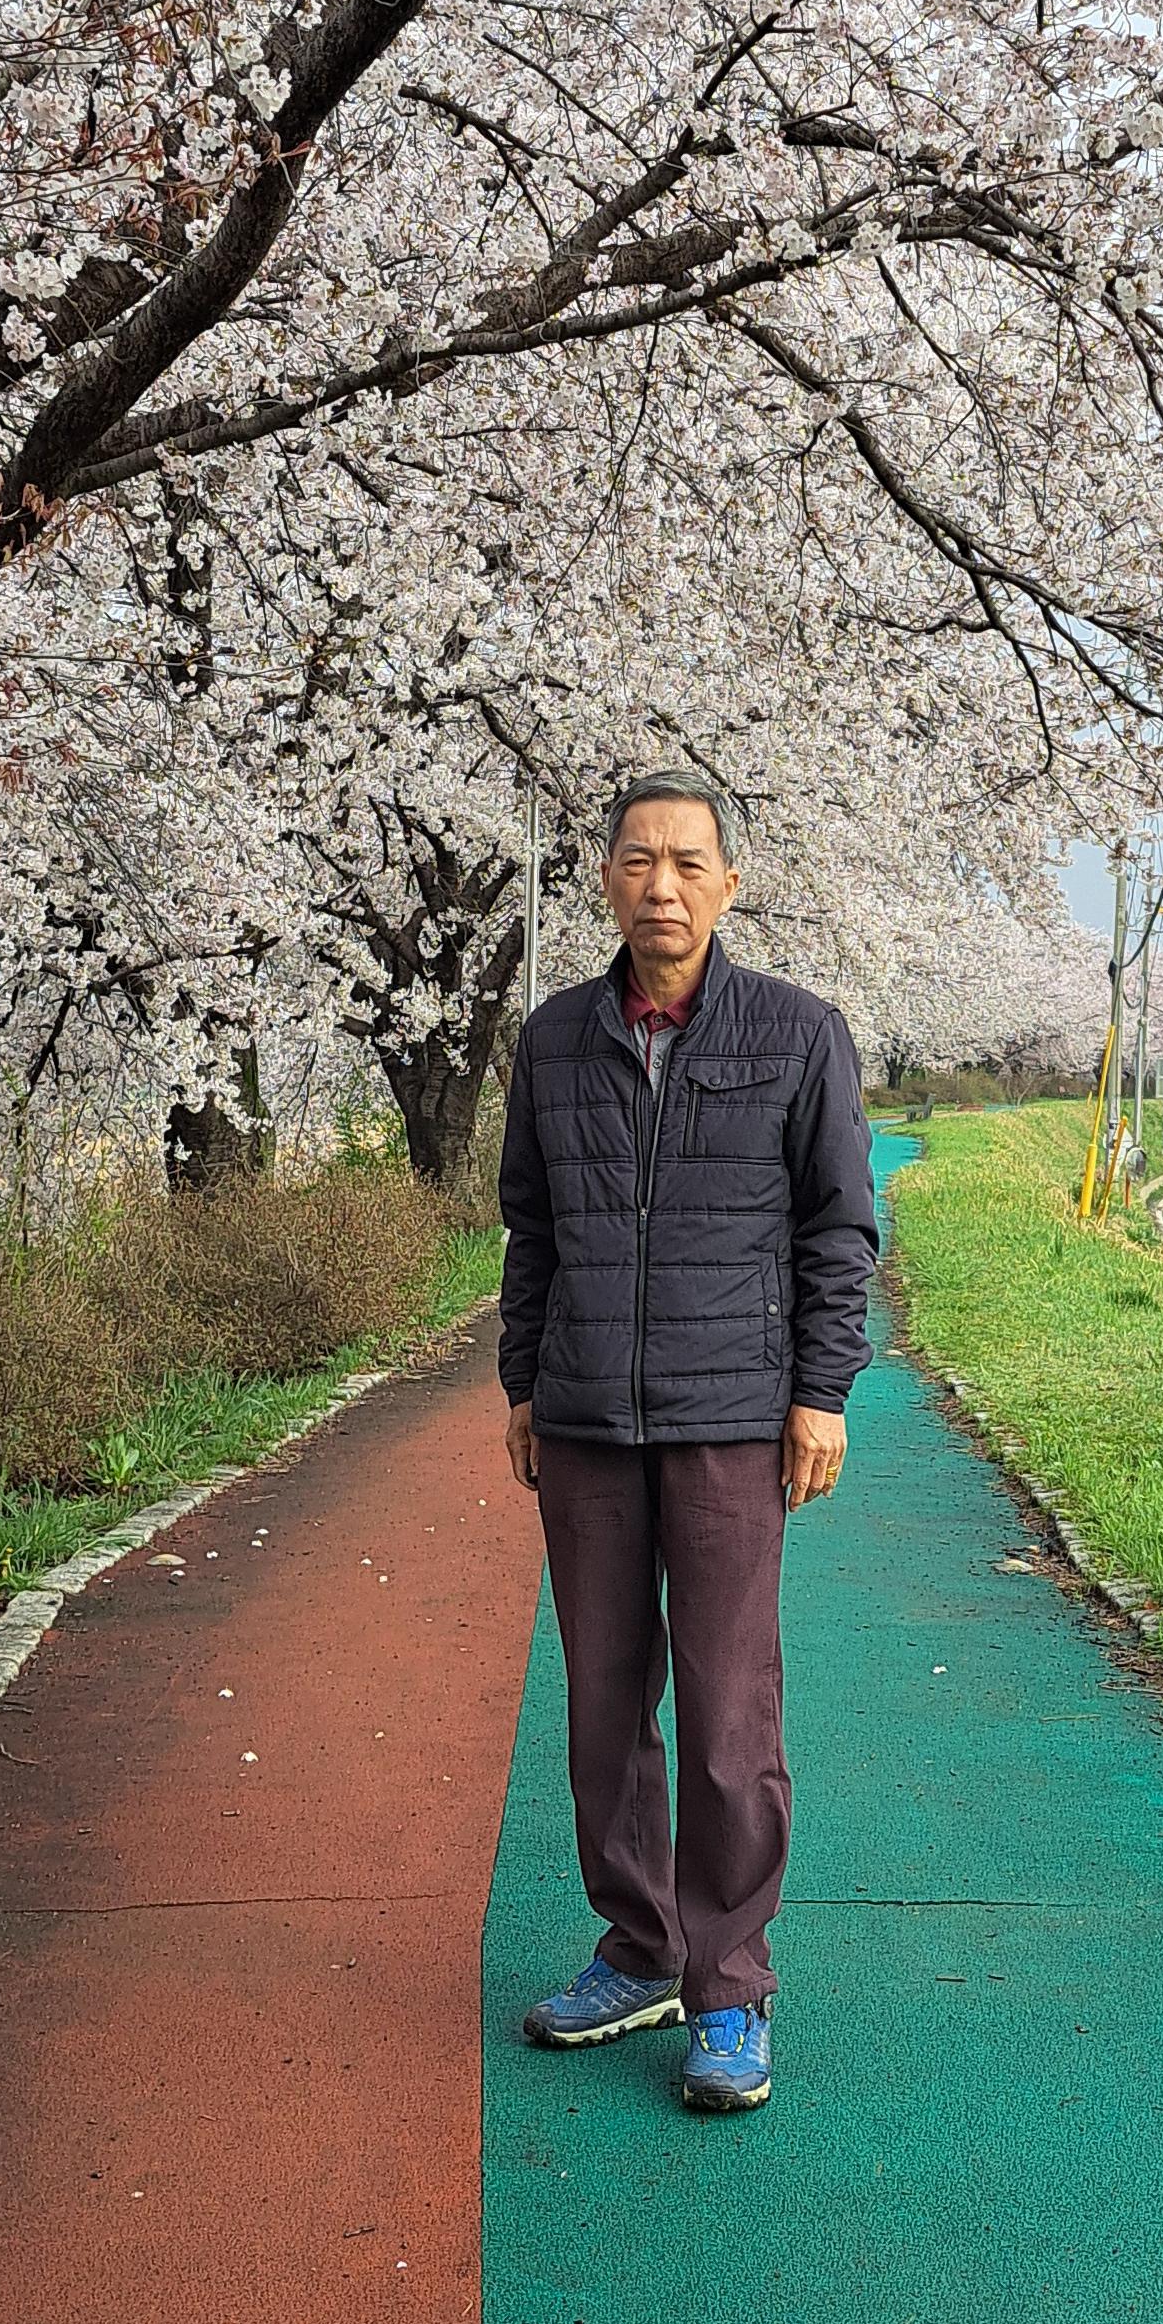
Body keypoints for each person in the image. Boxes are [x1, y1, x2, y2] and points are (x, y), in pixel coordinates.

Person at [497, 768, 879, 2115]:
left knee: (727, 1714)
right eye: (637, 860)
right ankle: (639, 1947)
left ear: (728, 883)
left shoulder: (797, 1033)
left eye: (687, 863)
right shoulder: (552, 1042)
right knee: (604, 1707)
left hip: (730, 1422)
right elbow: (532, 1229)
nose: (660, 886)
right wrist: (524, 1382)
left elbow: (840, 1229)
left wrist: (821, 1392)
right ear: (605, 877)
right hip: (587, 1418)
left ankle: (729, 1983)